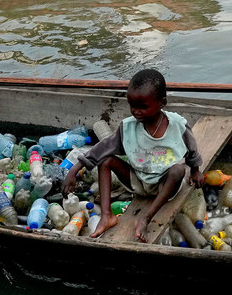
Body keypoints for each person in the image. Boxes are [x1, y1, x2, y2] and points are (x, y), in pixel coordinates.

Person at [63, 69, 204, 241]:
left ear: (162, 103)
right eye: (132, 106)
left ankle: (146, 217)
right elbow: (101, 149)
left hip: (164, 184)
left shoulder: (177, 125)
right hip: (137, 181)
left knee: (178, 170)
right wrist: (74, 170)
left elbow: (192, 149)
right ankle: (107, 216)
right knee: (106, 160)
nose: (136, 112)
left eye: (143, 107)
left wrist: (195, 170)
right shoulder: (128, 127)